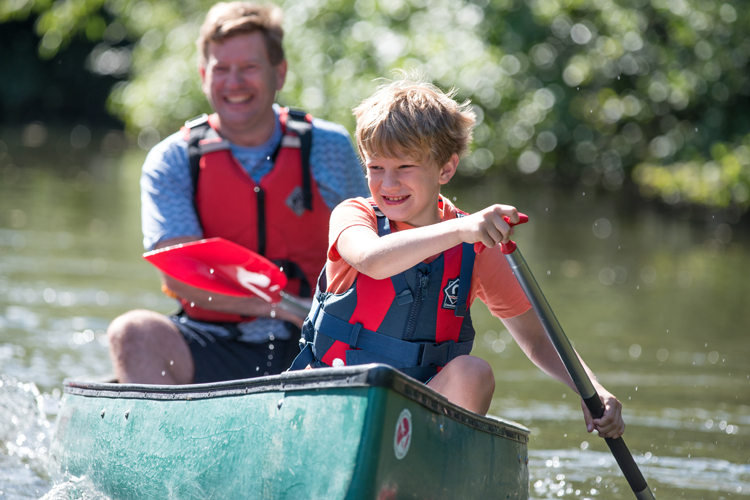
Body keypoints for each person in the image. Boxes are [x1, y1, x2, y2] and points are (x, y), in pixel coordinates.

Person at [291, 75, 625, 439]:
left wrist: (592, 390)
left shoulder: (475, 244)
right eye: (375, 168)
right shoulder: (356, 215)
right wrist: (462, 232)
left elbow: (538, 338)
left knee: (474, 372)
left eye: (404, 167)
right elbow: (371, 259)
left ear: (446, 169)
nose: (387, 184)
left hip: (407, 430)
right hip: (331, 406)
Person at [107, 2, 367, 385]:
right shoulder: (173, 160)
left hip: (320, 341)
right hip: (216, 340)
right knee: (131, 333)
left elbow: (374, 250)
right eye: (221, 69)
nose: (234, 83)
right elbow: (180, 279)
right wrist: (279, 307)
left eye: (248, 68)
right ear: (203, 75)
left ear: (279, 72)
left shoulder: (329, 146)